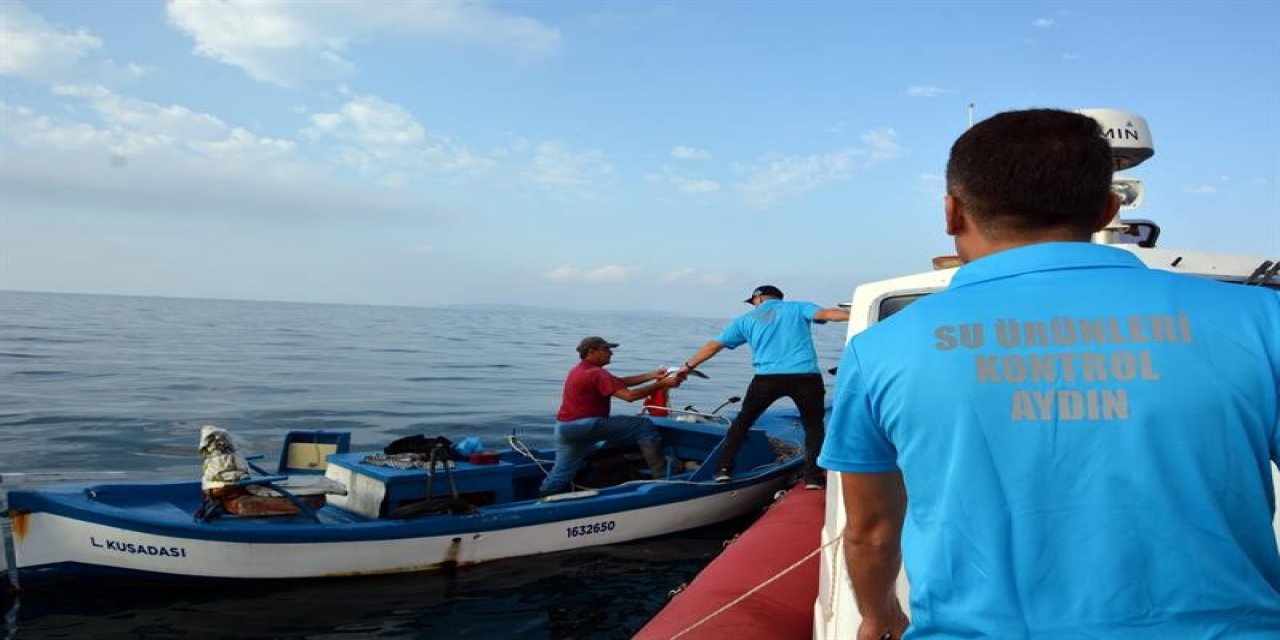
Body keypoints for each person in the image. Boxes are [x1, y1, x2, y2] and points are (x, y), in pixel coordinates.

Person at [818, 109, 1280, 639]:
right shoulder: (1261, 321)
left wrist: (879, 614)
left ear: (952, 212)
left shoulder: (882, 348)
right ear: (1107, 210)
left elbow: (871, 531)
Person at [679, 285, 849, 488]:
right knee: (813, 426)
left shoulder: (745, 319)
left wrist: (687, 367)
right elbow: (828, 314)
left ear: (758, 298)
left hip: (767, 379)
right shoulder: (799, 307)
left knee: (743, 422)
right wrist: (858, 314)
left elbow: (713, 346)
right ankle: (812, 477)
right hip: (805, 377)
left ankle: (723, 469)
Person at [539, 336, 682, 497]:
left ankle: (544, 497)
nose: (611, 353)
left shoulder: (579, 370)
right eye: (606, 349)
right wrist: (661, 384)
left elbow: (619, 382)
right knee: (643, 426)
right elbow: (629, 396)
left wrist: (652, 375)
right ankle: (662, 478)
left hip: (564, 428)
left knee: (562, 472)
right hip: (587, 425)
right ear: (591, 352)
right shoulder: (597, 373)